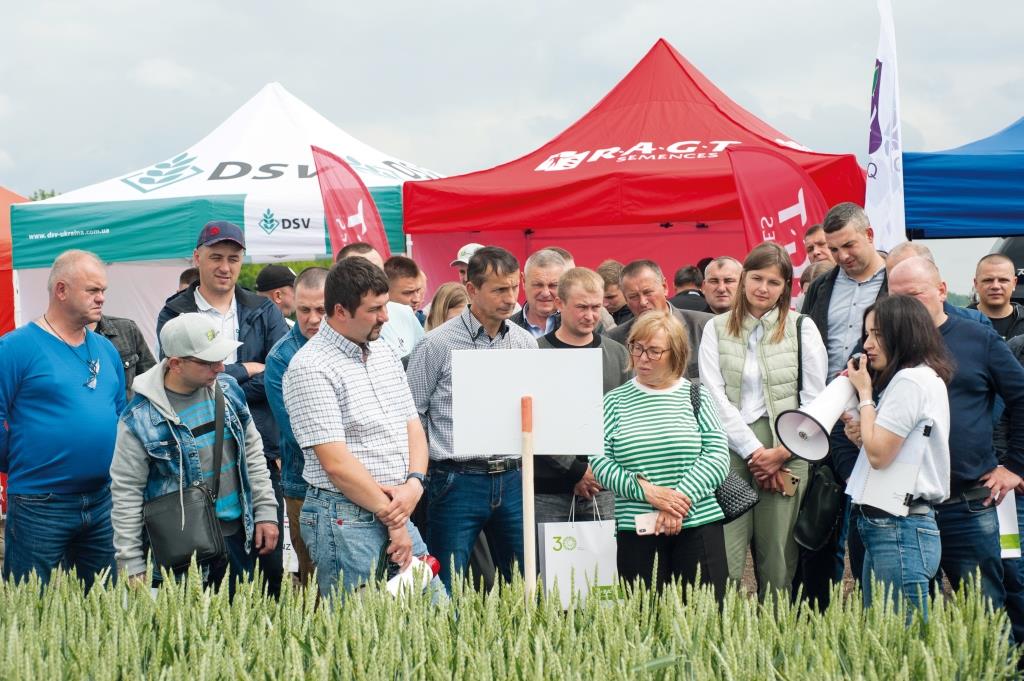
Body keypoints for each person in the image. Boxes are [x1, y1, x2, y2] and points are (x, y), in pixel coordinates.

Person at [283, 257, 440, 598]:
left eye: (385, 306)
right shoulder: (310, 367)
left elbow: (412, 424)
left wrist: (415, 484)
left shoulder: (383, 351)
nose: (385, 317)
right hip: (345, 518)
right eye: (374, 309)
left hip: (397, 507)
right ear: (341, 311)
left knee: (438, 615)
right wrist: (395, 518)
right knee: (361, 626)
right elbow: (336, 464)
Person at [157, 220, 289, 597]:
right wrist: (244, 369)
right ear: (197, 257)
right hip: (196, 458)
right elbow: (178, 377)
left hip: (258, 451)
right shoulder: (175, 312)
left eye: (233, 258)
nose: (225, 266)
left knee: (267, 564)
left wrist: (214, 377)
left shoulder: (262, 309)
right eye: (216, 257)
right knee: (204, 569)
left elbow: (280, 374)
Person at [888, 256, 1024, 614]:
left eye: (914, 296)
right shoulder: (881, 343)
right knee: (911, 617)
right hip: (901, 506)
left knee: (984, 612)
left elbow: (1021, 396)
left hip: (967, 503)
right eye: (895, 298)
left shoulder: (978, 338)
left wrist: (1015, 465)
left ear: (942, 290)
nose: (904, 307)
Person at [110, 313, 280, 591]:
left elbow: (252, 453)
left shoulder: (228, 390)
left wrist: (265, 512)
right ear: (176, 364)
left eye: (221, 358)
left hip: (239, 537)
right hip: (180, 553)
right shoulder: (139, 419)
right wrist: (131, 563)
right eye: (209, 362)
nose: (221, 367)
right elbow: (126, 492)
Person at [698, 242, 827, 599]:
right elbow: (713, 395)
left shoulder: (802, 328)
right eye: (756, 278)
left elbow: (815, 400)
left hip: (789, 447)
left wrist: (782, 452)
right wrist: (756, 452)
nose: (763, 288)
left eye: (774, 282)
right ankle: (723, 629)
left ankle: (777, 629)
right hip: (729, 448)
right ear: (743, 279)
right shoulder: (716, 328)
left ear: (786, 287)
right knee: (725, 556)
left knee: (779, 559)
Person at [406, 247, 538, 591]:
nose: (510, 298)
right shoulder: (435, 344)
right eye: (499, 290)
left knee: (524, 584)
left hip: (513, 476)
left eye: (514, 287)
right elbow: (413, 414)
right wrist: (425, 472)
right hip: (456, 478)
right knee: (445, 585)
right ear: (472, 289)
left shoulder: (525, 343)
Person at [0, 250, 126, 588]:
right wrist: (22, 460)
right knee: (30, 604)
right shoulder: (16, 348)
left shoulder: (105, 348)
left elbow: (119, 412)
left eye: (103, 290)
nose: (101, 298)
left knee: (102, 604)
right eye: (92, 290)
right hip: (39, 503)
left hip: (100, 500)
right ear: (61, 290)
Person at [592, 312, 730, 599]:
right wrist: (649, 493)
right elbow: (601, 462)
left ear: (675, 354)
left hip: (698, 523)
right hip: (637, 529)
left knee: (704, 613)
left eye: (654, 351)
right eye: (637, 347)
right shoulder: (613, 402)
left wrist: (675, 503)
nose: (643, 358)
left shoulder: (697, 396)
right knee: (645, 616)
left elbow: (717, 457)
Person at [792, 202, 889, 608]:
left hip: (878, 413)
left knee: (872, 520)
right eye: (834, 249)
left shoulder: (895, 281)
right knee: (820, 519)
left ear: (869, 235)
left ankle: (874, 609)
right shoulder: (821, 286)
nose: (841, 256)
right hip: (825, 416)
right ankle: (819, 614)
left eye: (849, 245)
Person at [843, 295, 953, 619]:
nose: (867, 344)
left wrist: (864, 393)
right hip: (896, 523)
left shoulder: (910, 381)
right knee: (888, 633)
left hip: (898, 524)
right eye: (867, 334)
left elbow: (879, 455)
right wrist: (863, 434)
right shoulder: (919, 377)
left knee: (901, 635)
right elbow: (892, 448)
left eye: (877, 334)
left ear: (903, 333)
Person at [535, 268, 630, 524]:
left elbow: (626, 417)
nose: (590, 316)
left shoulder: (617, 354)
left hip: (606, 485)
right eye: (581, 307)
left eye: (596, 307)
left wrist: (600, 471)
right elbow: (535, 422)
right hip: (549, 490)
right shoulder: (536, 353)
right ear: (559, 303)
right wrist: (575, 470)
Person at [264, 267, 328, 586]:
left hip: (361, 484)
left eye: (321, 310)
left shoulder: (355, 344)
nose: (313, 319)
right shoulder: (281, 358)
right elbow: (296, 431)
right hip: (305, 485)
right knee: (313, 583)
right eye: (304, 310)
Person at [606, 260, 712, 379]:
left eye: (648, 292)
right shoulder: (615, 340)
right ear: (626, 299)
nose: (642, 302)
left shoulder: (705, 326)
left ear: (665, 287)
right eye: (633, 296)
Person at [337, 242, 425, 360]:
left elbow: (424, 360)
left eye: (379, 271)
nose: (375, 278)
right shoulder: (327, 328)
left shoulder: (404, 313)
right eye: (362, 274)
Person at [92, 314, 156, 401]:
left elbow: (151, 380)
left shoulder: (127, 329)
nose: (100, 301)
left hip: (129, 408)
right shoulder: (72, 346)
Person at [510, 249, 566, 338]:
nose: (545, 293)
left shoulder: (577, 326)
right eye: (538, 285)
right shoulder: (505, 328)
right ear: (523, 281)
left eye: (553, 285)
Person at [970, 254, 1024, 340]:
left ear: (1014, 283)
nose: (995, 286)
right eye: (988, 280)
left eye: (1003, 280)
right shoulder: (958, 322)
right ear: (976, 284)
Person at [597, 260, 634, 326]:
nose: (604, 304)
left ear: (625, 289)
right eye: (599, 296)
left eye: (610, 297)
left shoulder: (639, 316)